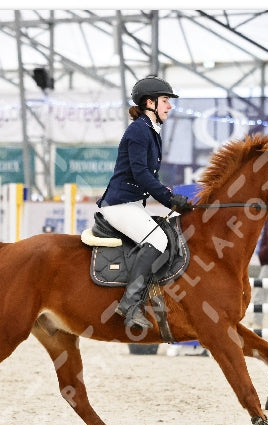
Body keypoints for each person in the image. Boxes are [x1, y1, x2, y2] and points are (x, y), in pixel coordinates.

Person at [97, 75, 193, 330]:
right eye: (165, 101)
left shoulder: (151, 131)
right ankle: (129, 304)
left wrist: (169, 196)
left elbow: (148, 177)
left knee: (170, 229)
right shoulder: (139, 130)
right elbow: (140, 174)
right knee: (158, 239)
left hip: (133, 204)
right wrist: (169, 199)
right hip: (119, 205)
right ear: (149, 102)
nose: (169, 106)